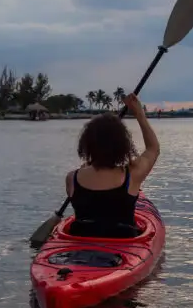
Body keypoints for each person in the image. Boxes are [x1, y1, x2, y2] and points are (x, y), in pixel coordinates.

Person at [64, 93, 160, 238]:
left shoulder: (72, 178)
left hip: (81, 245)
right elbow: (153, 149)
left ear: (87, 144)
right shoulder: (132, 175)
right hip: (122, 244)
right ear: (122, 145)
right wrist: (139, 114)